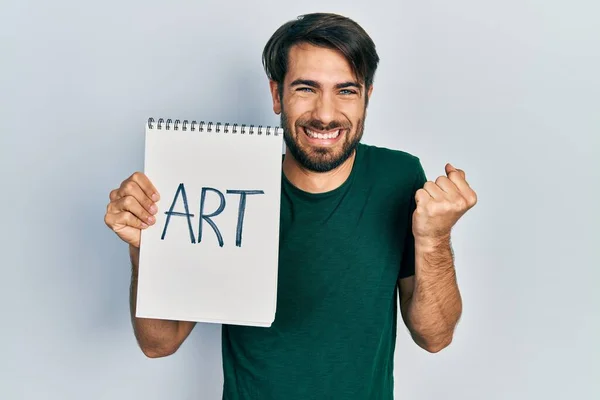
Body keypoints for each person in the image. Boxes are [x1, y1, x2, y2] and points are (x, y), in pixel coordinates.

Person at [104, 12, 478, 400]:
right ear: (276, 95)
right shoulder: (225, 183)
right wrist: (144, 247)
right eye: (306, 88)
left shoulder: (398, 177)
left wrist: (435, 239)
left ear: (368, 96)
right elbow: (159, 343)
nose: (326, 114)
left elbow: (434, 336)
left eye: (346, 90)